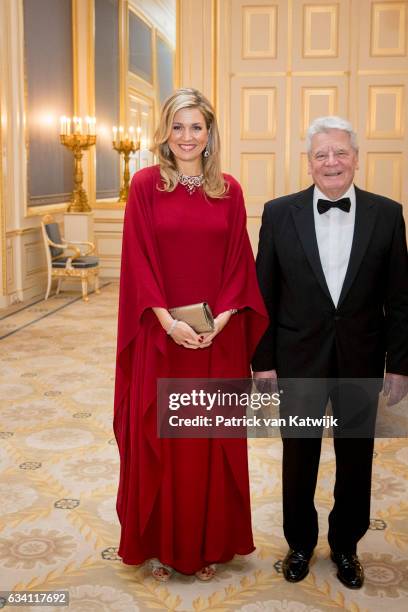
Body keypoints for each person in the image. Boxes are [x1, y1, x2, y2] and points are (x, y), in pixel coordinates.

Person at [114, 88, 268, 581]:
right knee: (163, 439)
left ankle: (208, 545)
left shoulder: (230, 190)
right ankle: (162, 545)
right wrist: (169, 323)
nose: (187, 137)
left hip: (216, 341)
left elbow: (239, 265)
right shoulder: (143, 187)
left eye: (195, 127)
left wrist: (220, 321)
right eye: (178, 127)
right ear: (165, 132)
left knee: (206, 441)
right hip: (162, 339)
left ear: (209, 133)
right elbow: (138, 262)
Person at [252, 116, 408, 589]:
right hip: (297, 359)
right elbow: (264, 292)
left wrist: (399, 364)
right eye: (322, 154)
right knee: (297, 456)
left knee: (356, 458)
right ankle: (299, 543)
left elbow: (400, 296)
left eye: (340, 152)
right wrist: (263, 360)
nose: (332, 162)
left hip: (362, 359)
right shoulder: (279, 213)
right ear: (309, 162)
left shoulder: (388, 213)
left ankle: (345, 545)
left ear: (357, 158)